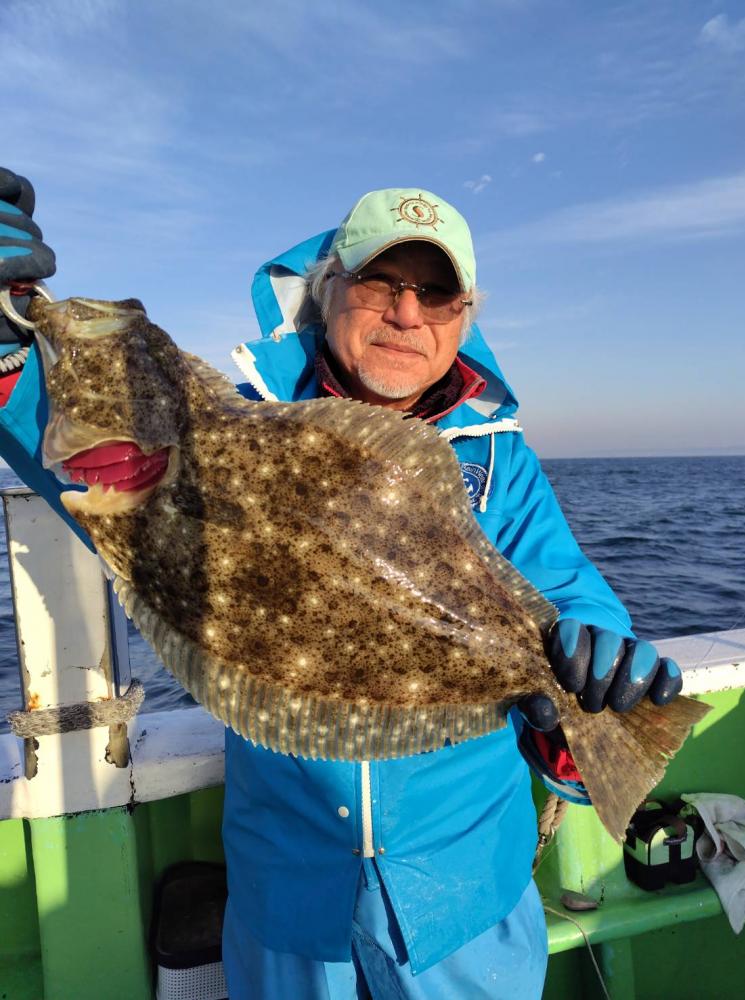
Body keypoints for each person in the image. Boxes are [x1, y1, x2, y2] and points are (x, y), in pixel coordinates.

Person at [0, 173, 683, 999]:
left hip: (463, 901)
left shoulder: (503, 464)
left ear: (464, 319)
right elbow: (104, 461)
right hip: (289, 898)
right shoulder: (230, 427)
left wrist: (599, 671)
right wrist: (8, 345)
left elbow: (570, 596)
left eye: (437, 295)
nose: (407, 314)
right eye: (382, 283)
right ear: (329, 292)